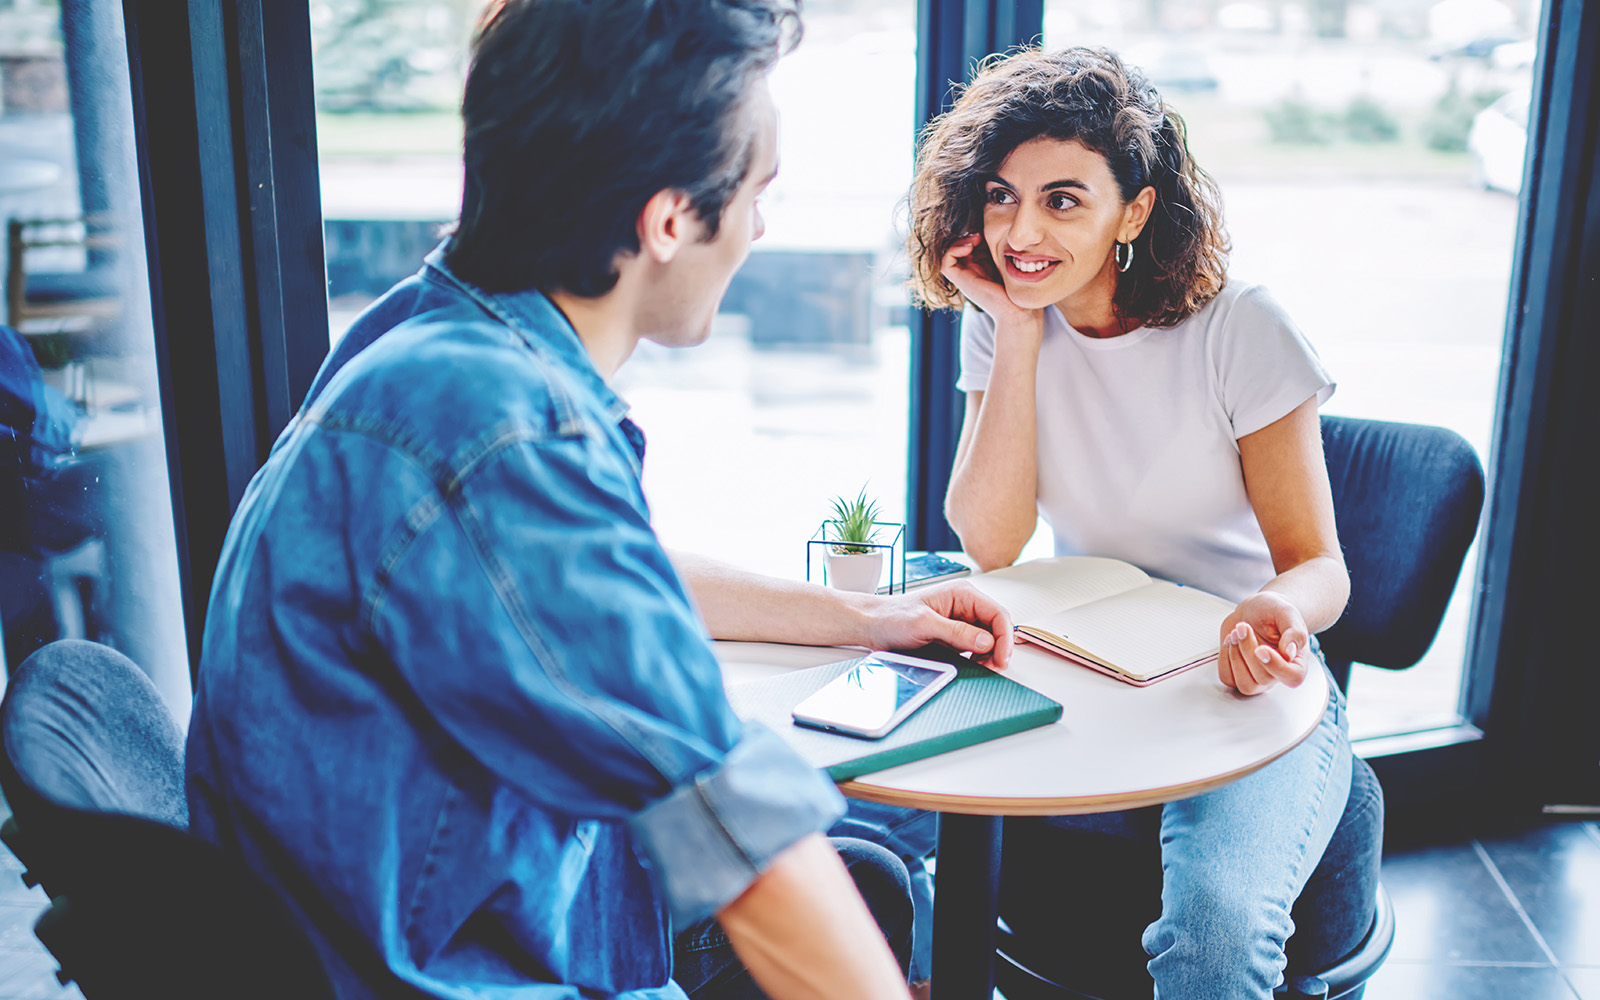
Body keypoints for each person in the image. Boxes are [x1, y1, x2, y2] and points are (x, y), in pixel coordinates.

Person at [184, 1, 1013, 998]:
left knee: (864, 874)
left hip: (415, 903)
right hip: (451, 964)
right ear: (669, 219)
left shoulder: (428, 341)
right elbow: (735, 822)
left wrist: (864, 615)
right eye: (757, 194)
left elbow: (611, 588)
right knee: (840, 883)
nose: (759, 228)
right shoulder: (499, 435)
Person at [905, 46, 1354, 999]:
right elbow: (991, 541)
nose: (1021, 230)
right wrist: (1019, 331)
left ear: (1134, 211)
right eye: (999, 195)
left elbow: (1320, 563)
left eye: (1063, 199)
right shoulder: (1006, 313)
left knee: (1216, 938)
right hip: (1090, 654)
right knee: (885, 844)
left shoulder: (1240, 326)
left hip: (1243, 674)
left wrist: (1275, 611)